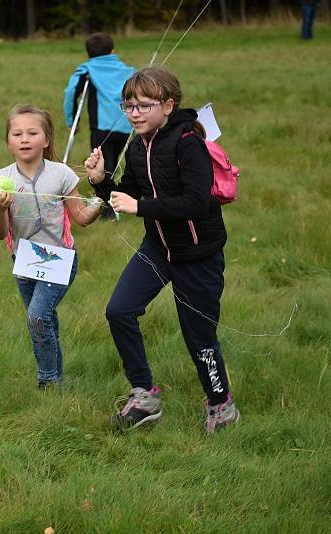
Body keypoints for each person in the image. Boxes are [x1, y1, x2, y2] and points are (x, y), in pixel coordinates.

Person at [84, 66, 239, 434]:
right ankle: (145, 396)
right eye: (128, 106)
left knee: (199, 338)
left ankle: (221, 404)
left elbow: (196, 202)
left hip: (198, 255)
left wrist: (142, 207)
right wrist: (100, 180)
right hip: (157, 250)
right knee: (119, 310)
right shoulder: (138, 145)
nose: (134, 113)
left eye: (143, 105)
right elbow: (128, 195)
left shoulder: (189, 143)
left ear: (168, 105)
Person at [0, 104, 103, 389]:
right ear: (8, 141)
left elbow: (81, 217)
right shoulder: (2, 180)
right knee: (43, 322)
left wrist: (101, 198)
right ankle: (57, 380)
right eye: (17, 133)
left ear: (47, 139)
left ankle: (48, 381)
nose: (24, 139)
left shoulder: (60, 174)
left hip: (59, 258)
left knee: (37, 318)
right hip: (24, 260)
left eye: (32, 132)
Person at [63, 32, 135, 218]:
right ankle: (111, 204)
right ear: (113, 51)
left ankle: (107, 211)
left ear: (88, 54)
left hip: (102, 128)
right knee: (112, 163)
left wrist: (72, 121)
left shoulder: (87, 69)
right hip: (127, 126)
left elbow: (71, 92)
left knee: (104, 166)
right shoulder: (129, 71)